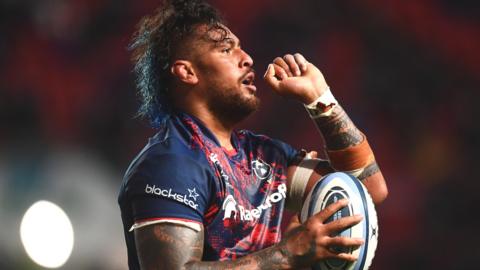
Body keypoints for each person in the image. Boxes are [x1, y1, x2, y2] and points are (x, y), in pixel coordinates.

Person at [118, 0, 388, 269]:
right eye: (226, 50)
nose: (246, 58)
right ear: (187, 72)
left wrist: (321, 100)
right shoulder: (172, 163)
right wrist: (286, 254)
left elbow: (367, 191)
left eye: (240, 47)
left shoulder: (263, 157)